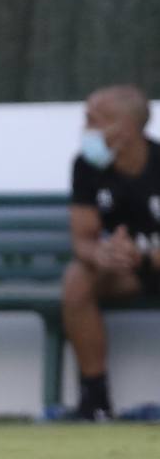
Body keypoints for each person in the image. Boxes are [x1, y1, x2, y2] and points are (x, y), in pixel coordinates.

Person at [58, 85, 160, 421]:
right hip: (125, 271)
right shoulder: (86, 166)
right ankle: (95, 402)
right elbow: (82, 237)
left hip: (151, 262)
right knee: (77, 279)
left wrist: (145, 256)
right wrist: (101, 255)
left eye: (94, 119)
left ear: (126, 129)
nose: (85, 127)